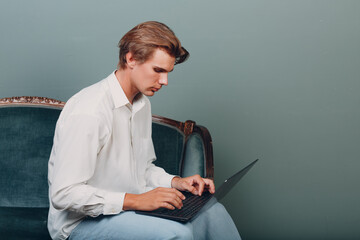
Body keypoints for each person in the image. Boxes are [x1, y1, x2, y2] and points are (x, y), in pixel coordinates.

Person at [48, 21, 241, 240]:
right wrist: (136, 200)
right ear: (130, 59)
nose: (164, 81)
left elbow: (142, 170)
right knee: (178, 233)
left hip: (130, 210)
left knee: (213, 212)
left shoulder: (141, 104)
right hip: (80, 223)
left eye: (168, 72)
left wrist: (177, 182)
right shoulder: (89, 110)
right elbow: (64, 194)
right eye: (158, 70)